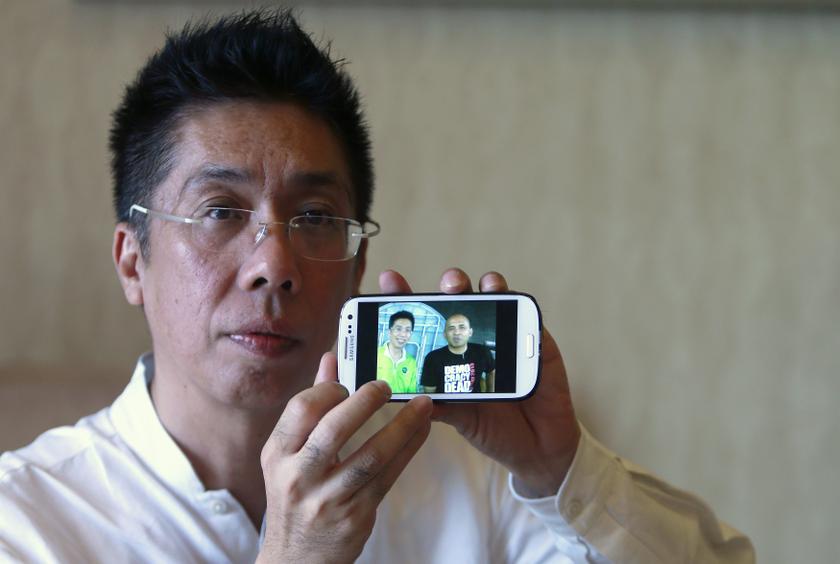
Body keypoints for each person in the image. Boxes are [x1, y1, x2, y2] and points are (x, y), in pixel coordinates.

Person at [0, 9, 755, 563]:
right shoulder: (29, 522)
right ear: (133, 260)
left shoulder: (472, 479)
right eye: (221, 211)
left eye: (318, 216)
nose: (276, 264)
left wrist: (561, 470)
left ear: (360, 271)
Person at [421, 313, 496, 393]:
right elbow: (429, 392)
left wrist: (490, 397)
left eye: (462, 327)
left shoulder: (482, 351)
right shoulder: (432, 358)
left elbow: (491, 372)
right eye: (451, 328)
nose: (456, 332)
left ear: (470, 332)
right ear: (445, 334)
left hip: (474, 404)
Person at [377, 310, 419, 393]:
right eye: (398, 329)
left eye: (407, 330)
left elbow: (411, 394)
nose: (403, 334)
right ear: (390, 331)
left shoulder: (412, 363)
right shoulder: (376, 355)